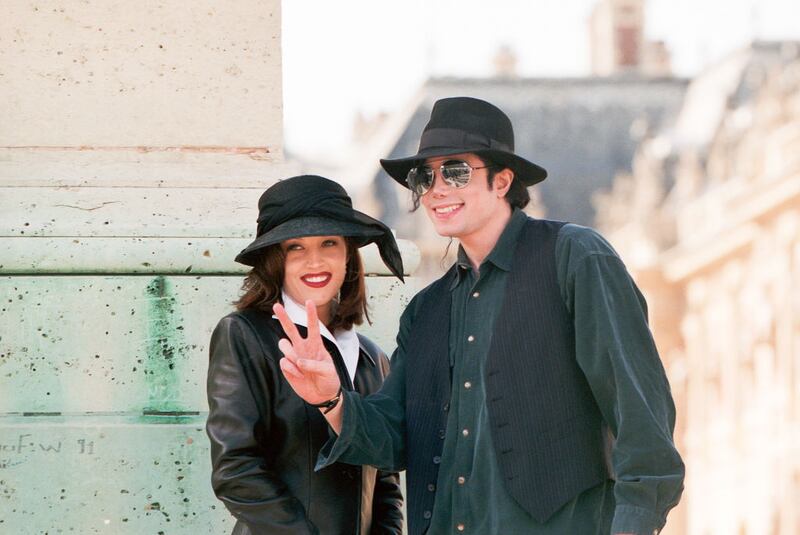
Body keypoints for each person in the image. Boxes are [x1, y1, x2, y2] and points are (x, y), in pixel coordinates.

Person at [275, 97, 685, 535]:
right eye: (423, 177)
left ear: (502, 181)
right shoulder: (426, 310)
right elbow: (395, 438)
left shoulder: (574, 258)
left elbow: (641, 418)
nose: (437, 189)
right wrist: (331, 398)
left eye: (455, 171)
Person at [206, 174, 405, 535]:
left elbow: (387, 484)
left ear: (348, 256)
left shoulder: (373, 358)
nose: (315, 261)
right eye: (295, 247)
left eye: (329, 242)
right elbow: (236, 470)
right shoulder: (244, 335)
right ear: (274, 261)